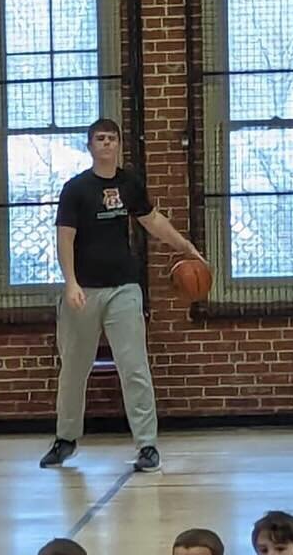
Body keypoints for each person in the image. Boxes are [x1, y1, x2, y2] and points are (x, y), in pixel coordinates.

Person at [41, 118, 206, 474]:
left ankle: (147, 445)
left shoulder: (129, 183)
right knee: (73, 369)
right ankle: (65, 439)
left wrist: (186, 246)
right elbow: (64, 237)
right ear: (89, 145)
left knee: (134, 368)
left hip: (124, 288)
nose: (106, 144)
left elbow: (153, 220)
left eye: (112, 138)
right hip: (83, 290)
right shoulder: (76, 189)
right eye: (100, 139)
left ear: (119, 144)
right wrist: (70, 282)